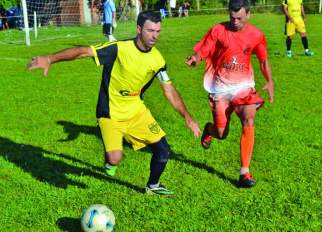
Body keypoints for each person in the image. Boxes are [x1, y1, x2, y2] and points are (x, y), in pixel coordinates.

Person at [27, 10, 201, 196]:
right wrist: (50, 59)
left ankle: (153, 186)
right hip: (110, 113)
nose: (155, 36)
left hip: (136, 112)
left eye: (158, 31)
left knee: (163, 150)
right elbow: (83, 52)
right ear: (138, 29)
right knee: (115, 159)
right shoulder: (118, 48)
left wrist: (187, 118)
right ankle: (110, 159)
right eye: (150, 31)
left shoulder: (157, 59)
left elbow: (169, 90)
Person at [185, 0, 274, 188]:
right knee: (221, 132)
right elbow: (204, 49)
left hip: (243, 87)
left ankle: (244, 173)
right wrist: (196, 58)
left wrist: (270, 81)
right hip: (221, 88)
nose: (235, 22)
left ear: (249, 15)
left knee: (249, 119)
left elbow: (263, 60)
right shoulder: (218, 30)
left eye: (239, 18)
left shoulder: (256, 35)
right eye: (232, 18)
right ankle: (209, 131)